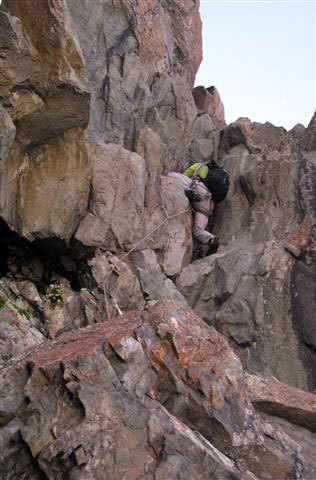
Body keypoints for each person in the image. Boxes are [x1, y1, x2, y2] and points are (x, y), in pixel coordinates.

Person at [168, 160, 224, 255]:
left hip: (199, 190)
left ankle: (190, 193)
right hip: (209, 204)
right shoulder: (217, 180)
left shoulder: (200, 165)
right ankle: (210, 239)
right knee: (198, 230)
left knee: (171, 175)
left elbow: (185, 175)